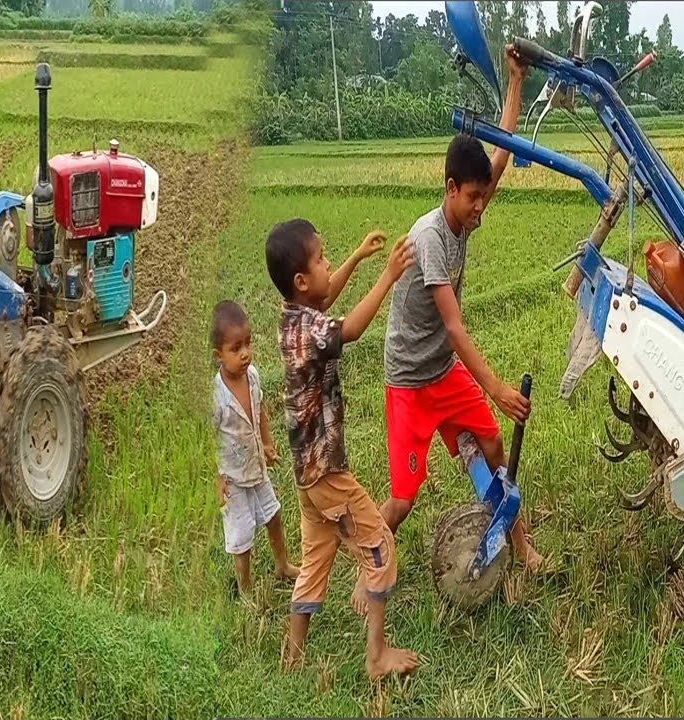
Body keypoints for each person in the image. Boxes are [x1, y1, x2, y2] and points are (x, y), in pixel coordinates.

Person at [380, 45, 547, 572]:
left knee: (494, 443)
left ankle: (521, 546)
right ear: (450, 188)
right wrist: (497, 388)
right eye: (472, 196)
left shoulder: (467, 214)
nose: (481, 206)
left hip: (444, 373)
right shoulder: (430, 237)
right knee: (403, 500)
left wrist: (515, 82)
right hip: (409, 378)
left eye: (484, 196)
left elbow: (501, 151)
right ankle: (370, 566)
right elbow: (453, 327)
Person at [266, 218, 418, 679]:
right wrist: (388, 275)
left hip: (305, 476)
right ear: (300, 280)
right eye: (321, 258)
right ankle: (376, 656)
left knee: (315, 558)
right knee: (379, 544)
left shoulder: (292, 321)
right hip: (329, 473)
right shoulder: (314, 330)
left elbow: (326, 300)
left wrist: (354, 256)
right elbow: (348, 328)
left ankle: (292, 655)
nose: (328, 263)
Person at [212, 299, 299, 595]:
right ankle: (245, 587)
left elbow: (260, 410)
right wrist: (217, 477)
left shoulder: (253, 377)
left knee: (274, 515)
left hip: (257, 467)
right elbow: (207, 438)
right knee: (242, 535)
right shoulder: (216, 396)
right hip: (233, 477)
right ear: (218, 356)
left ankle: (282, 565)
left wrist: (268, 443)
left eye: (247, 344)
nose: (245, 353)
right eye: (236, 349)